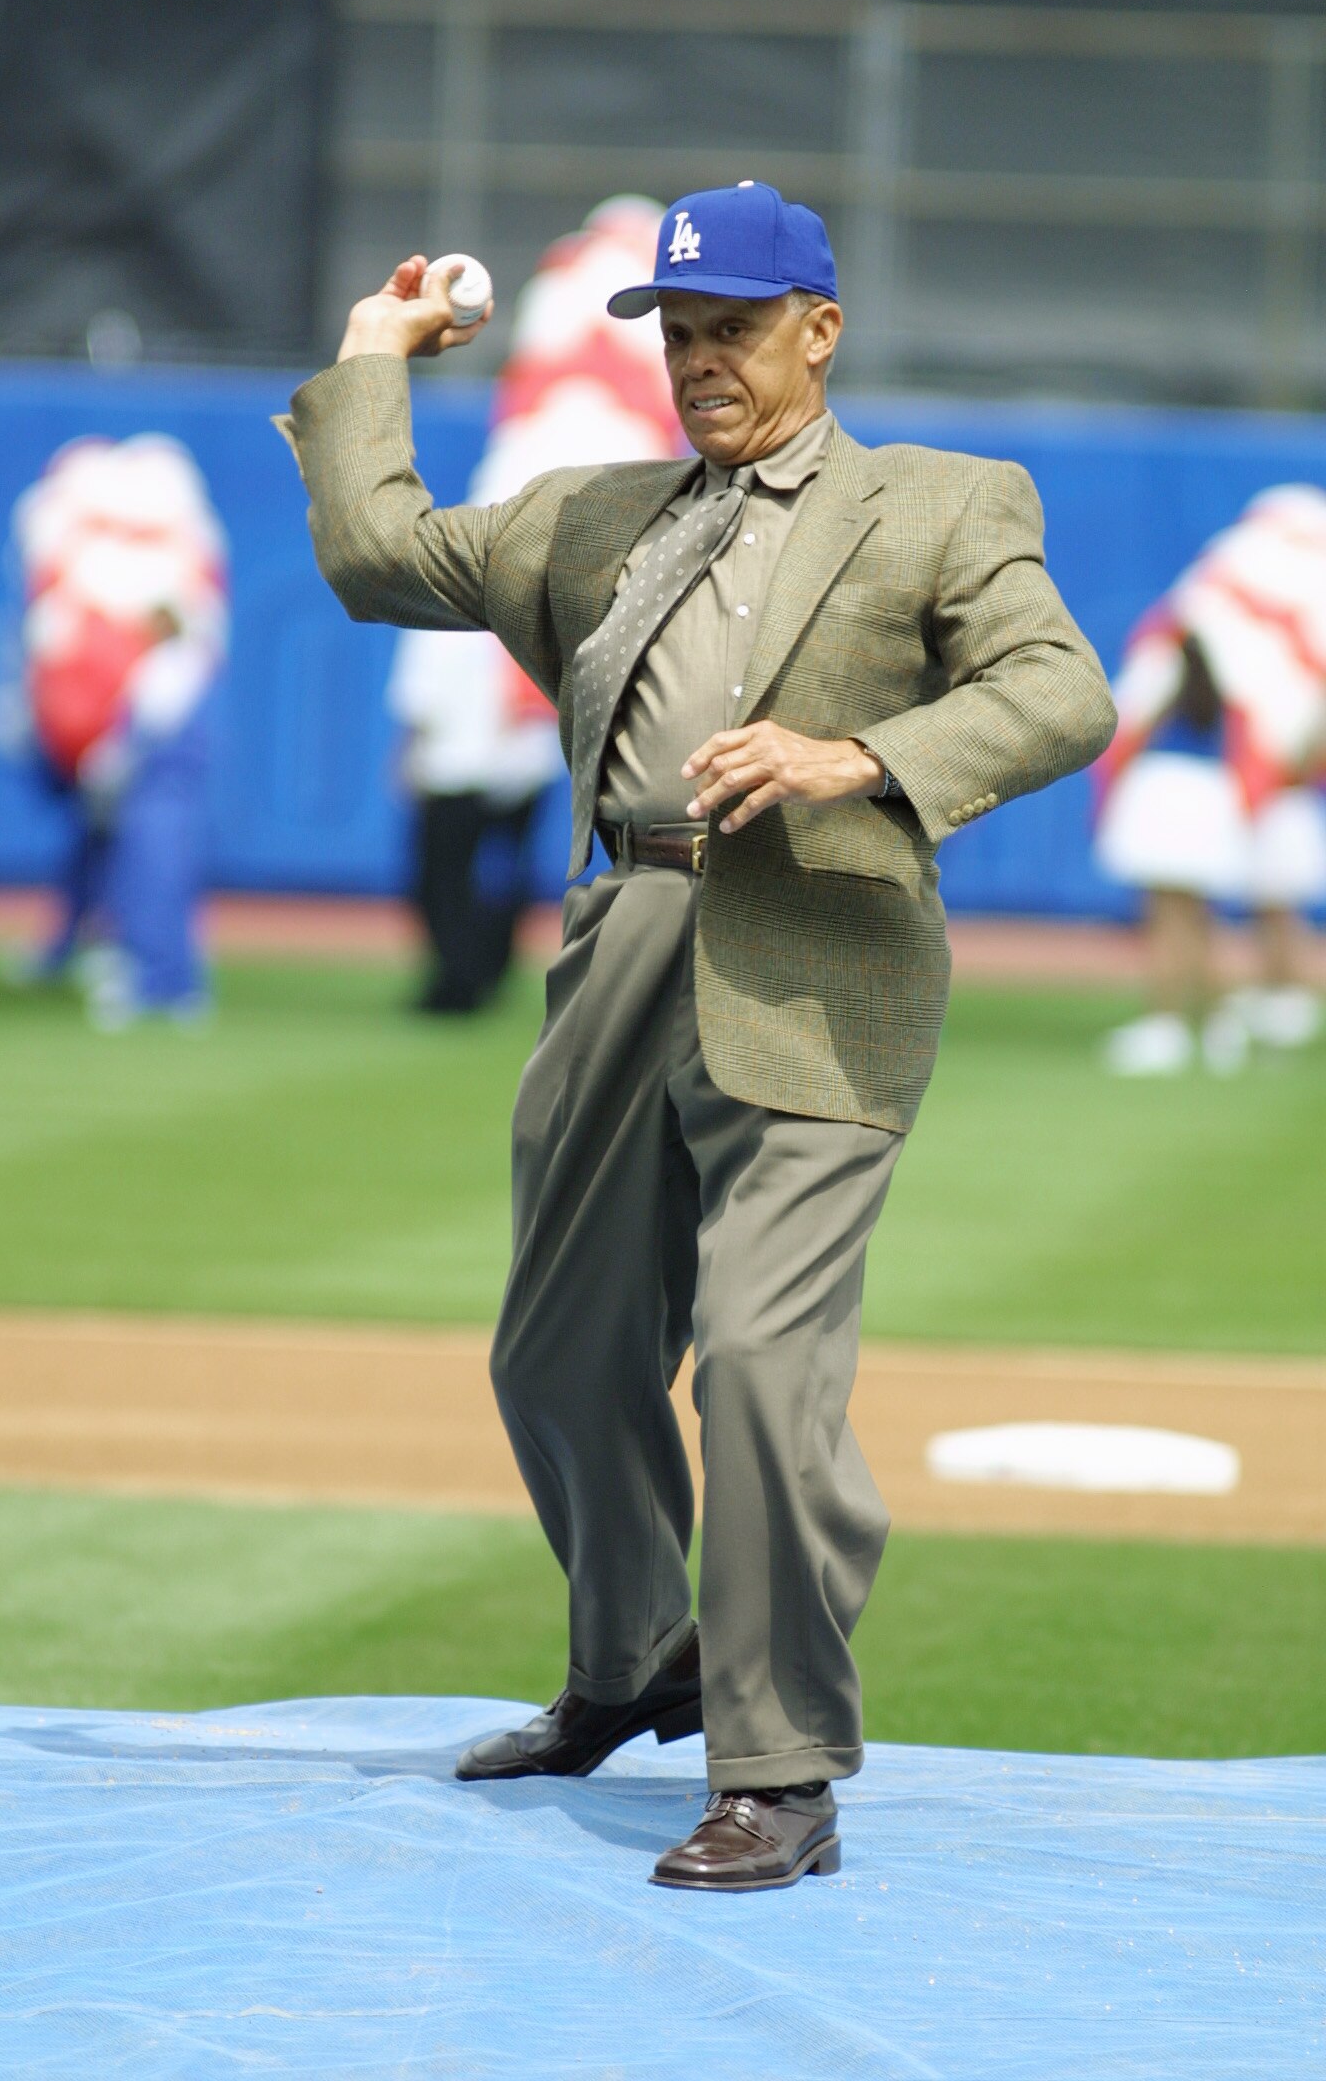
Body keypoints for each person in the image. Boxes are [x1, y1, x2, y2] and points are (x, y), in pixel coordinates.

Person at [281, 182, 1116, 1892]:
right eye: (677, 330)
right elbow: (375, 556)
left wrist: (861, 759)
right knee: (559, 1353)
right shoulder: (594, 516)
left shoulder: (941, 506)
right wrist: (377, 351)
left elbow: (1062, 694)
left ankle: (781, 1771)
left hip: (820, 957)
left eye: (735, 327)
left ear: (821, 327)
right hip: (624, 944)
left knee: (757, 1362)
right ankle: (630, 1660)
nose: (701, 361)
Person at [388, 197, 678, 1013]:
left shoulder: (571, 344)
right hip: (539, 605)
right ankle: (481, 965)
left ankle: (470, 967)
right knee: (500, 806)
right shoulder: (603, 371)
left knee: (480, 806)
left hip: (516, 601)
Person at [1095, 484, 1326, 1074]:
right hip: (1211, 795)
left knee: (1175, 916)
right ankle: (1215, 1025)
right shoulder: (1255, 670)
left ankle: (1172, 1026)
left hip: (1172, 796)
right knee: (1196, 917)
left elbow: (1125, 724)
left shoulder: (1174, 653)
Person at [8, 435, 229, 1028]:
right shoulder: (181, 666)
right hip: (166, 798)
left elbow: (142, 737)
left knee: (152, 888)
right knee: (162, 889)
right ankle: (175, 986)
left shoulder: (166, 668)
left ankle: (159, 983)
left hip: (157, 798)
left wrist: (109, 764)